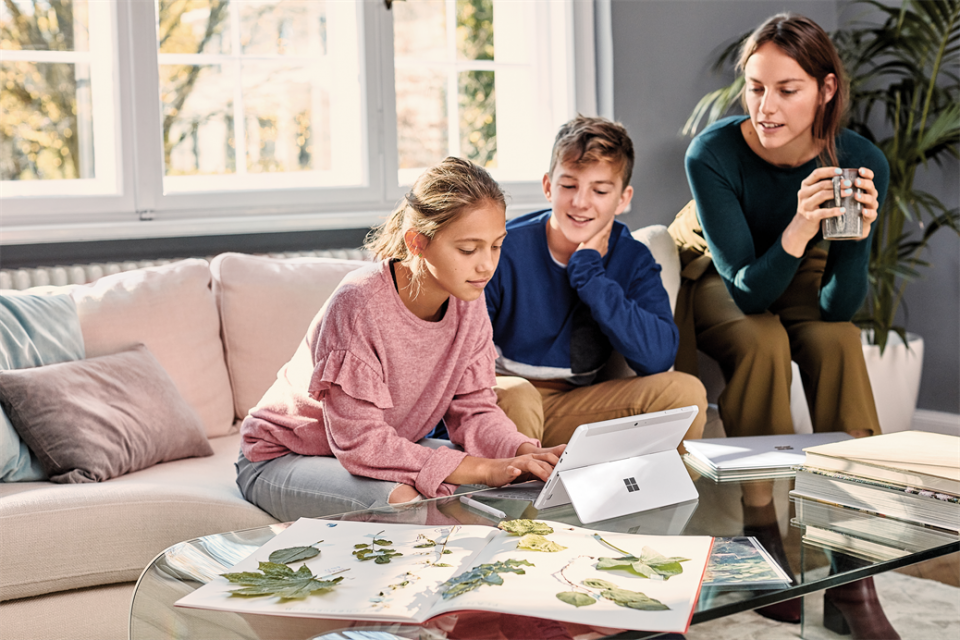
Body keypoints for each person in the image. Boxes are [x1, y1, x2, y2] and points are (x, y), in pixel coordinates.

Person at [673, 14, 895, 637]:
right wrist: (798, 226)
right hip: (724, 273)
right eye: (755, 88)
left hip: (805, 271)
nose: (765, 107)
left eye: (786, 89)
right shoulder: (713, 154)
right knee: (762, 340)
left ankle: (853, 571)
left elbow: (839, 309)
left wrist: (860, 237)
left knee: (839, 341)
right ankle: (762, 534)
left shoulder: (860, 160)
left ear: (826, 89)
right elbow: (749, 292)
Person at [236, 157, 565, 522]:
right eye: (468, 249)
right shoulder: (359, 303)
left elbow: (475, 410)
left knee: (513, 486)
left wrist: (522, 453)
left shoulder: (468, 300)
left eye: (496, 246)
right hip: (282, 457)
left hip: (374, 450)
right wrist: (485, 468)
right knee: (406, 501)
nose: (486, 265)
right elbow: (361, 442)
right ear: (417, 242)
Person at [487, 114, 707, 449]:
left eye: (600, 190)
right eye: (568, 186)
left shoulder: (632, 257)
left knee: (685, 394)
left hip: (570, 406)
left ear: (623, 198)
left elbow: (657, 357)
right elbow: (463, 356)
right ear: (548, 186)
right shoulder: (503, 248)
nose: (580, 202)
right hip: (499, 400)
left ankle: (654, 491)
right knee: (520, 395)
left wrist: (589, 275)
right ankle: (521, 482)